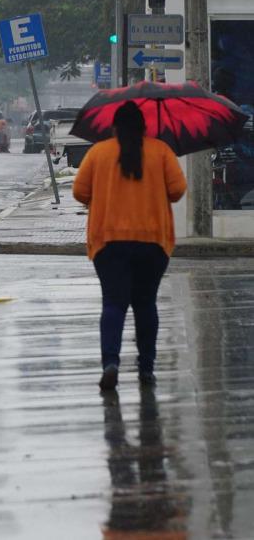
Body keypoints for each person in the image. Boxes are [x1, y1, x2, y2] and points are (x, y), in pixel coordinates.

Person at [73, 101, 187, 391]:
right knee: (146, 304)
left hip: (109, 241)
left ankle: (111, 362)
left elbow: (79, 191)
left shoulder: (98, 152)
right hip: (152, 242)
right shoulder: (160, 151)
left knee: (113, 303)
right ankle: (146, 369)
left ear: (114, 127)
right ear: (144, 127)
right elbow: (177, 191)